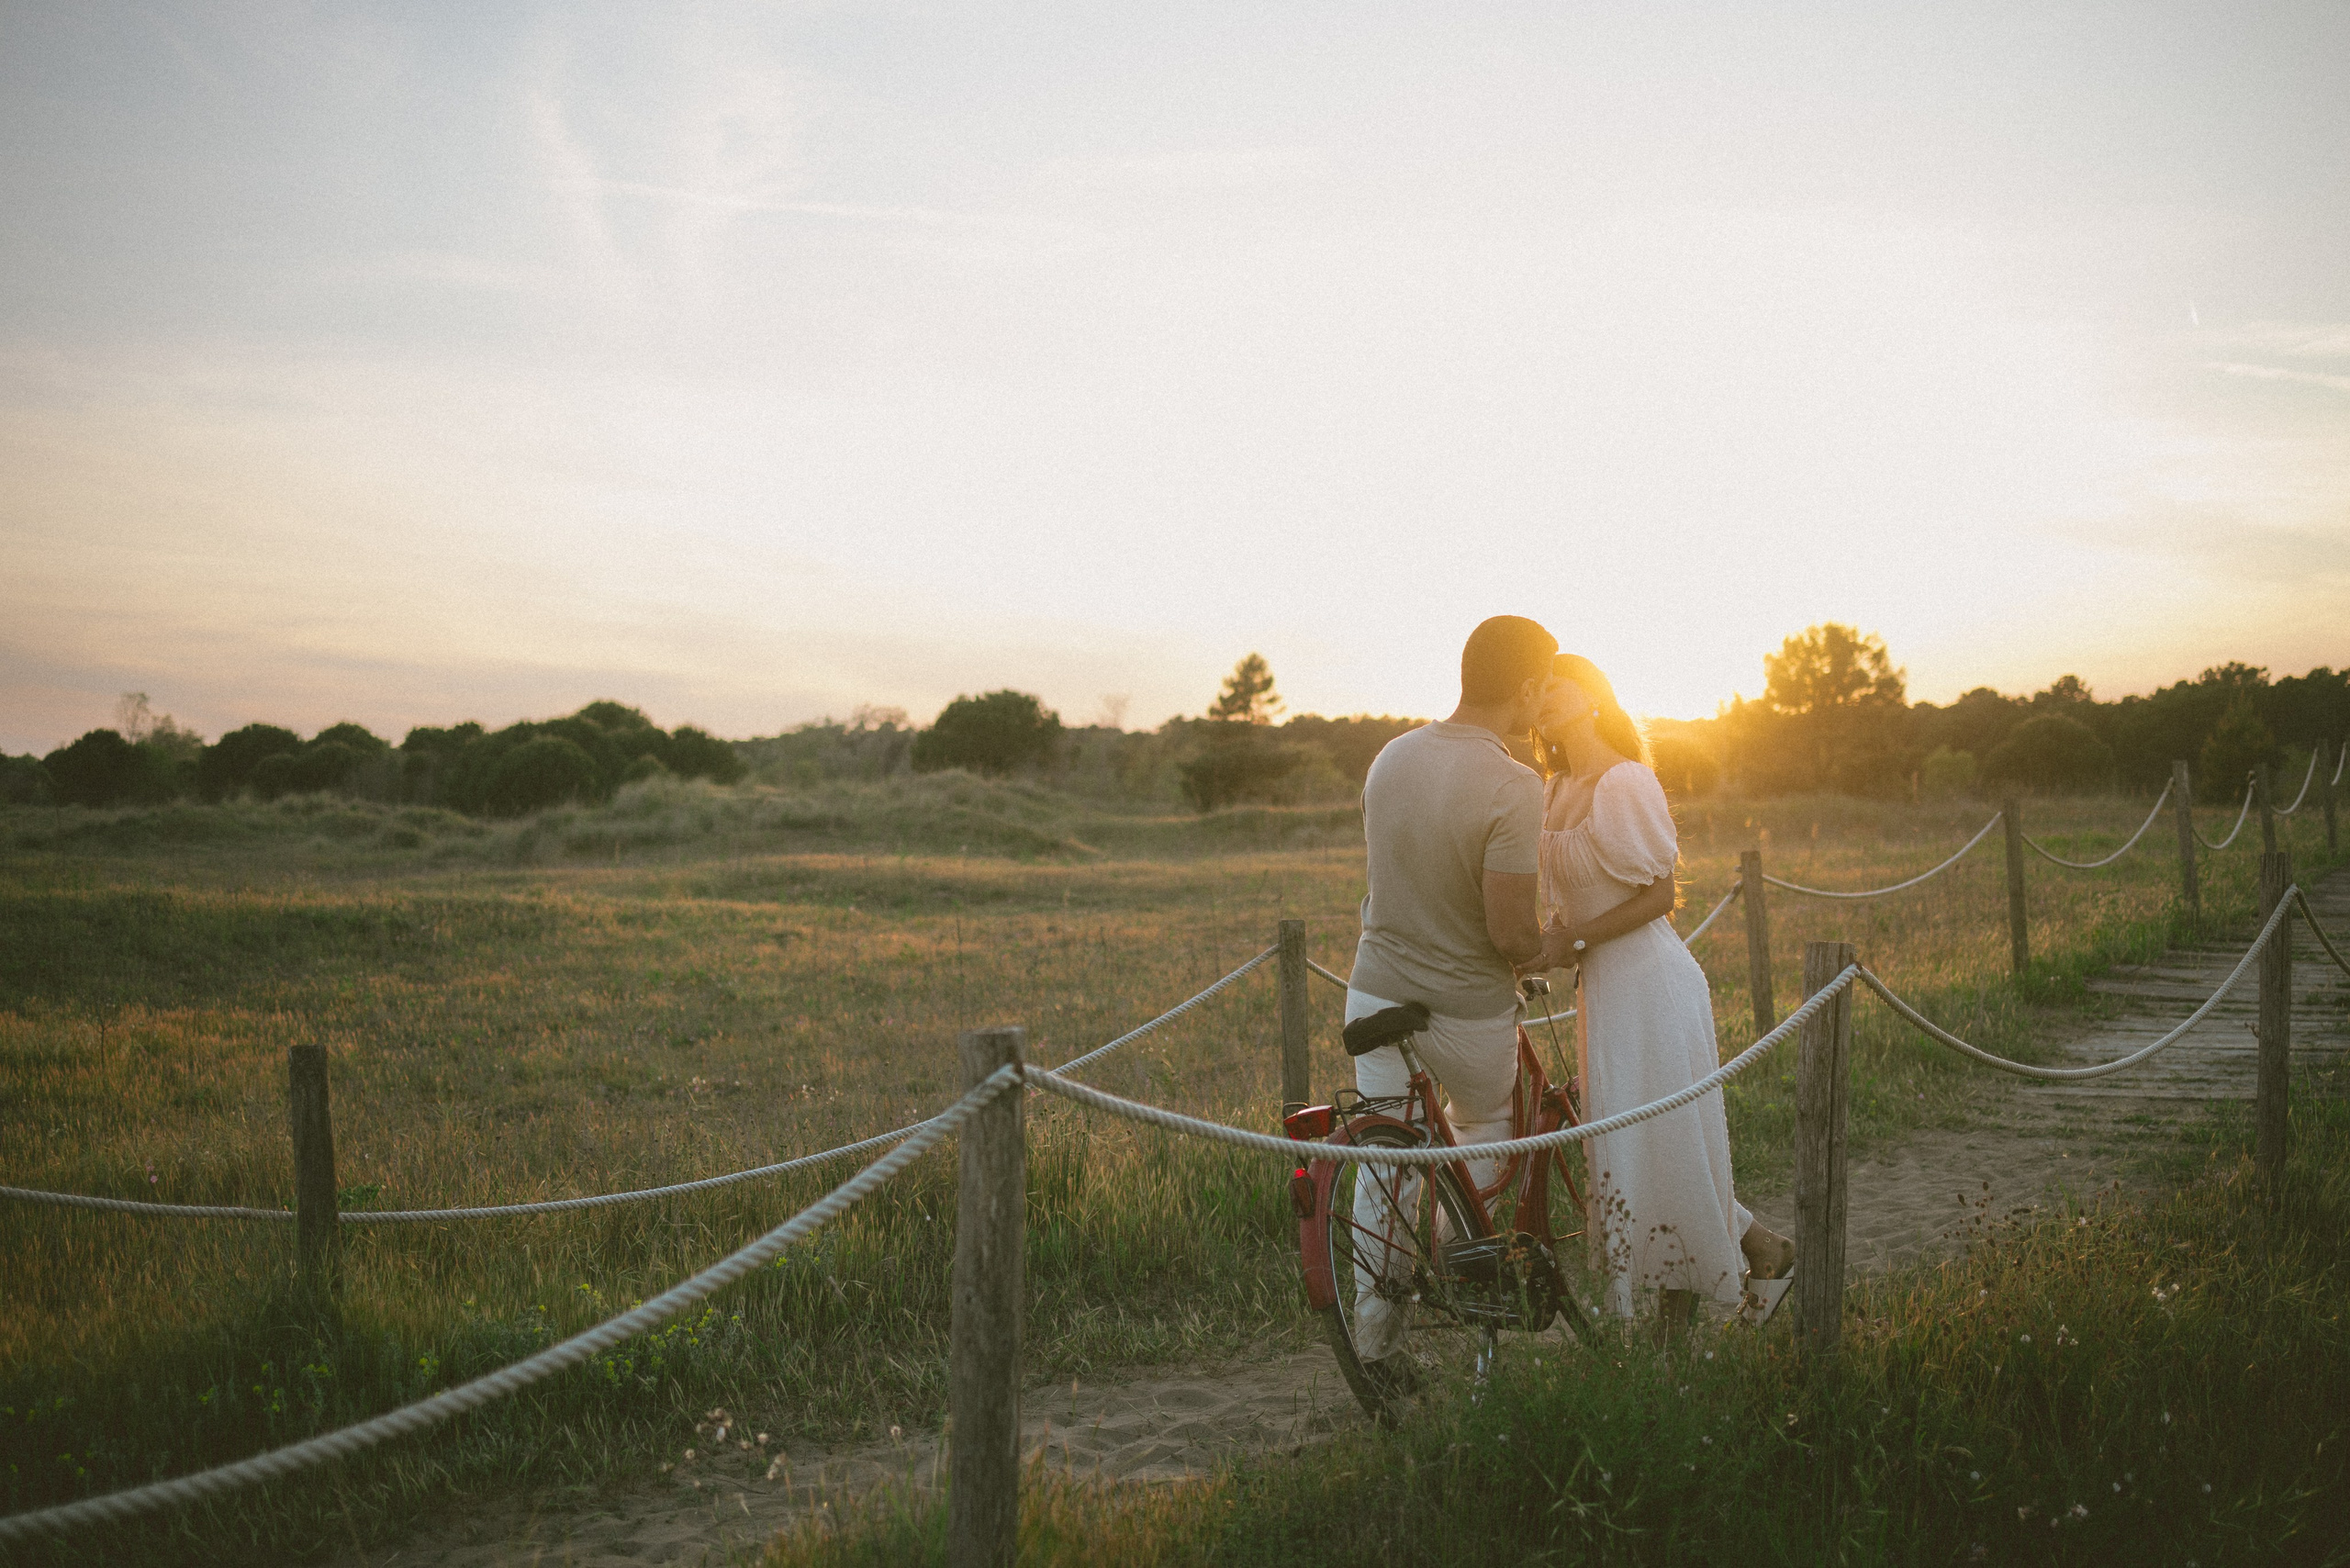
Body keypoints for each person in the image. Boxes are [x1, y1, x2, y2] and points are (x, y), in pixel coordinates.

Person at [1343, 615, 1580, 1381]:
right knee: (1491, 1124)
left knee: (1385, 1169)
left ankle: (1377, 1347)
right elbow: (1509, 934)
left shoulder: (1392, 757)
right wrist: (1559, 943)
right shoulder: (1514, 783)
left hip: (1374, 995)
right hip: (1466, 1011)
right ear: (1528, 685)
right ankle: (1460, 1259)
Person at [1532, 653, 1793, 1335]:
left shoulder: (1625, 781)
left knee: (1665, 1144)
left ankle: (1670, 1338)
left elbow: (1660, 895)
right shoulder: (1551, 788)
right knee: (1628, 1152)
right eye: (1537, 691)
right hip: (1603, 994)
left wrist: (1578, 938)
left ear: (1592, 696)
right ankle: (1765, 1248)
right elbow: (1571, 898)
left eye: (1559, 686)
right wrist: (1549, 941)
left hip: (1653, 985)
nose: (1546, 699)